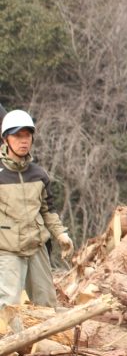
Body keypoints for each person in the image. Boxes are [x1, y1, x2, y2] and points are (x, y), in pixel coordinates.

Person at [0, 109, 74, 306]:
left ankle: (45, 337)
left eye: (27, 135)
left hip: (36, 247)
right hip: (8, 250)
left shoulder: (38, 174)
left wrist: (61, 234)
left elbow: (48, 210)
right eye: (17, 135)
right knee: (8, 306)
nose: (24, 140)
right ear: (5, 139)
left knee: (47, 304)